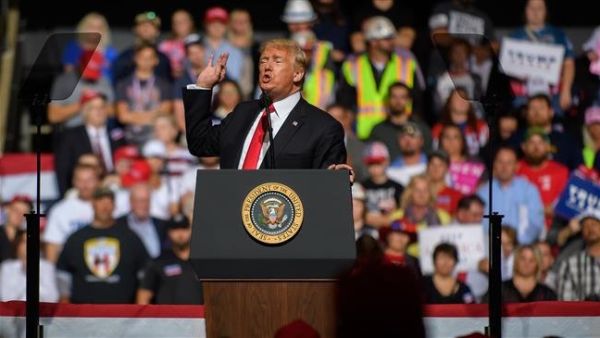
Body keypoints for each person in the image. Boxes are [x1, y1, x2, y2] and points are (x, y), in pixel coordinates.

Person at [182, 39, 347, 170]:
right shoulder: (243, 112)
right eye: (263, 61)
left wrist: (335, 178)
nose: (267, 66)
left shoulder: (323, 128)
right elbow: (200, 143)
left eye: (277, 61)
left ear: (297, 74)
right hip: (230, 207)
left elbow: (326, 185)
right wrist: (203, 87)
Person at [57, 187, 149, 304]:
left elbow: (145, 272)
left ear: (114, 206)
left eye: (109, 202)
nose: (105, 206)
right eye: (100, 201)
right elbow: (63, 272)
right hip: (83, 313)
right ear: (93, 204)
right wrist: (64, 299)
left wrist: (141, 303)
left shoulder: (130, 237)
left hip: (123, 312)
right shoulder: (76, 239)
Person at [338, 16, 422, 139]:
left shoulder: (406, 65)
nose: (392, 41)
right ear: (373, 41)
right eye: (387, 38)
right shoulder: (352, 66)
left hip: (400, 133)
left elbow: (417, 102)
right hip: (363, 134)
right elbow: (345, 103)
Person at [508, 0, 575, 116]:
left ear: (546, 11)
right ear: (525, 10)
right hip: (523, 96)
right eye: (531, 8)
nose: (535, 12)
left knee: (554, 129)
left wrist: (566, 90)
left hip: (553, 95)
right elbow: (506, 68)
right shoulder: (514, 36)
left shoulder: (558, 35)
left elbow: (569, 63)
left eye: (539, 8)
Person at [55, 90, 125, 196]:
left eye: (102, 107)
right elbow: (63, 172)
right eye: (93, 108)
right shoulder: (70, 137)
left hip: (115, 191)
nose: (99, 111)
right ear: (85, 111)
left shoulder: (117, 135)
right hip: (83, 193)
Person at [477, 147, 544, 244]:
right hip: (490, 246)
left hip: (521, 246)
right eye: (500, 162)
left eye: (509, 163)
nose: (504, 167)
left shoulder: (529, 190)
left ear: (516, 166)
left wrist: (516, 243)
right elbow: (479, 222)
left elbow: (536, 223)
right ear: (494, 165)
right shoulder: (483, 192)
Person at [137, 214, 203, 304]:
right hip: (169, 317)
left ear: (191, 230)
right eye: (175, 229)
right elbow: (143, 296)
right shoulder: (158, 262)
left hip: (199, 317)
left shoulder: (202, 261)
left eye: (184, 228)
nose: (180, 234)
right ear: (169, 232)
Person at [115, 43, 173, 146]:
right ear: (135, 58)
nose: (146, 61)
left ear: (156, 60)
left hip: (156, 138)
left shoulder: (164, 85)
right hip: (130, 138)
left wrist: (133, 116)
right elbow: (123, 116)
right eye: (142, 57)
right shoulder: (123, 84)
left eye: (150, 57)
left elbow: (164, 114)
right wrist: (153, 116)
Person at [43, 164, 100, 263]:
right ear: (73, 182)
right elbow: (52, 245)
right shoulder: (60, 210)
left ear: (98, 181)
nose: (85, 185)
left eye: (89, 180)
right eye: (80, 180)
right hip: (71, 267)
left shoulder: (109, 207)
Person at [517, 128, 569, 230]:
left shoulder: (561, 171)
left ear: (547, 147)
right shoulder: (515, 170)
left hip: (553, 229)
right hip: (520, 227)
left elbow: (564, 207)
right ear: (523, 147)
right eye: (531, 142)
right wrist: (541, 209)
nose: (536, 147)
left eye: (540, 143)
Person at [389, 174, 451, 256]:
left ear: (430, 193)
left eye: (425, 190)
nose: (421, 194)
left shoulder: (443, 217)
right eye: (417, 190)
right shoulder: (397, 216)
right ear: (410, 193)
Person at [369, 82, 432, 159]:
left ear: (408, 100)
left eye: (402, 97)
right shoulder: (378, 131)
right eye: (394, 97)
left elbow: (429, 156)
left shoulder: (421, 128)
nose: (398, 101)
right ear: (388, 99)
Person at [112, 11, 172, 84]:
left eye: (151, 26)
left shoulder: (163, 60)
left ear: (158, 32)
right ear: (135, 29)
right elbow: (117, 84)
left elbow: (168, 85)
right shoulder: (124, 57)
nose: (146, 28)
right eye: (142, 25)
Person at [0, 230, 59, 302]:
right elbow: (6, 297)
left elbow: (52, 297)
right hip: (15, 310)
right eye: (25, 242)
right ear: (18, 244)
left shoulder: (47, 267)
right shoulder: (7, 267)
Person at [557, 210, 600, 301]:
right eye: (585, 226)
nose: (590, 229)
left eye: (594, 224)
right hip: (584, 314)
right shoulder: (569, 265)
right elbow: (566, 305)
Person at [115, 184, 168, 259]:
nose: (143, 205)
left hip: (156, 267)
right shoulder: (118, 224)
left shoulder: (162, 224)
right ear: (131, 202)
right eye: (139, 201)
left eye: (146, 201)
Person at [61, 12, 118, 81]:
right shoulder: (73, 48)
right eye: (91, 26)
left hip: (104, 88)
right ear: (83, 28)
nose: (95, 30)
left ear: (104, 31)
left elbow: (115, 77)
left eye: (99, 27)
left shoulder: (111, 52)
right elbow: (68, 73)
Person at [432, 88, 488, 158]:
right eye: (458, 98)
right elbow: (436, 154)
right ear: (449, 103)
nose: (462, 101)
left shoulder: (481, 126)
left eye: (465, 98)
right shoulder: (438, 129)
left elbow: (486, 152)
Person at [360, 142, 403, 229]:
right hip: (368, 230)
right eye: (371, 163)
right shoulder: (361, 187)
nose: (375, 167)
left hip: (391, 230)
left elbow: (402, 213)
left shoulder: (398, 187)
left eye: (378, 162)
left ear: (387, 161)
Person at [291, 30, 336, 110]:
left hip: (322, 117)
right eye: (300, 51)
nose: (304, 55)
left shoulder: (326, 72)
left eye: (308, 51)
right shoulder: (284, 72)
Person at [438, 123, 485, 195]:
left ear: (462, 141)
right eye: (446, 137)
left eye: (456, 137)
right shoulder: (434, 164)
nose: (451, 141)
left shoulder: (476, 163)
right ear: (441, 141)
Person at [173, 34, 206, 132]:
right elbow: (179, 117)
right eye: (192, 53)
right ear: (187, 56)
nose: (196, 56)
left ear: (204, 51)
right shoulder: (182, 81)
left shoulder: (217, 74)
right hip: (193, 130)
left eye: (198, 51)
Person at [202, 7, 244, 83]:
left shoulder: (235, 51)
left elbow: (234, 79)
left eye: (221, 23)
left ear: (226, 26)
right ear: (206, 25)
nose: (217, 26)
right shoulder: (197, 47)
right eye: (212, 23)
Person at [327, 104, 367, 182]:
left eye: (339, 117)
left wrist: (352, 169)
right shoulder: (317, 145)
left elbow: (366, 175)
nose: (334, 121)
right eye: (330, 118)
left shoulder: (359, 146)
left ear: (347, 120)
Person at [227, 9, 260, 99]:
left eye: (244, 21)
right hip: (227, 95)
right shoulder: (223, 46)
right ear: (230, 23)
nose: (241, 24)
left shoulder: (257, 47)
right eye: (237, 21)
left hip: (251, 95)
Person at [387, 122, 428, 186]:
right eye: (403, 137)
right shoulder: (391, 171)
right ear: (398, 141)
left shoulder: (432, 166)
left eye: (412, 136)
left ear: (421, 141)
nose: (408, 141)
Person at [158, 10, 195, 79]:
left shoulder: (200, 44)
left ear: (191, 23)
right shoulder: (164, 46)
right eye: (176, 22)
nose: (180, 24)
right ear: (173, 25)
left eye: (184, 21)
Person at [426, 150, 463, 216]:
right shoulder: (419, 193)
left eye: (440, 165)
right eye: (432, 164)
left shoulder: (456, 195)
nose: (436, 169)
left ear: (446, 168)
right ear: (427, 167)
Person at [0, 196, 32, 261]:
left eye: (24, 212)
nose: (19, 215)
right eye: (16, 210)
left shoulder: (26, 237)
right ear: (7, 209)